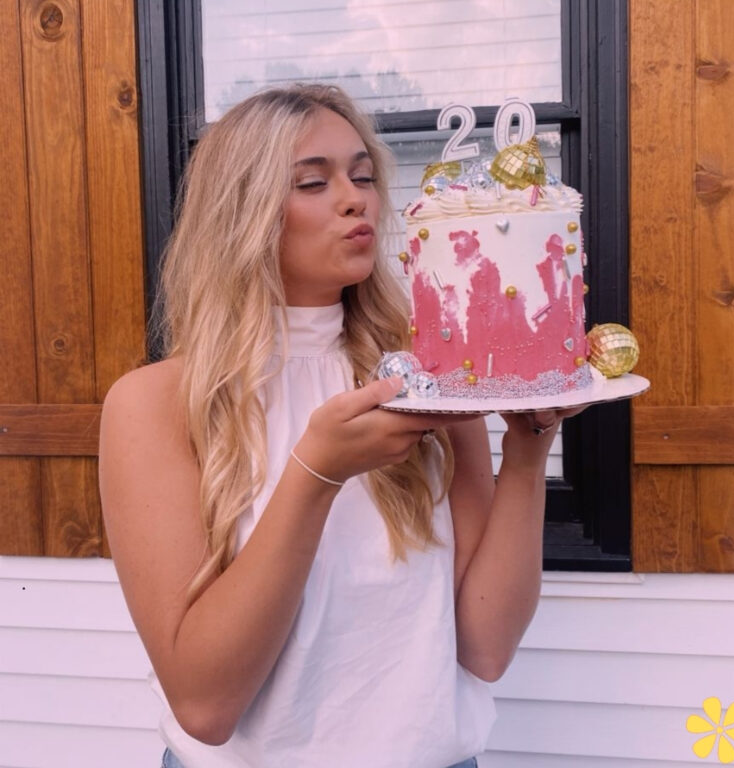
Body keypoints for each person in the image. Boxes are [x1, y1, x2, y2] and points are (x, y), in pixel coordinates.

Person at [98, 83, 580, 768]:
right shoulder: (156, 404)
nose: (356, 199)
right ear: (243, 210)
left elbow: (487, 647)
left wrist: (530, 445)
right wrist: (315, 473)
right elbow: (205, 707)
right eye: (312, 182)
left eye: (362, 175)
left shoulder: (431, 380)